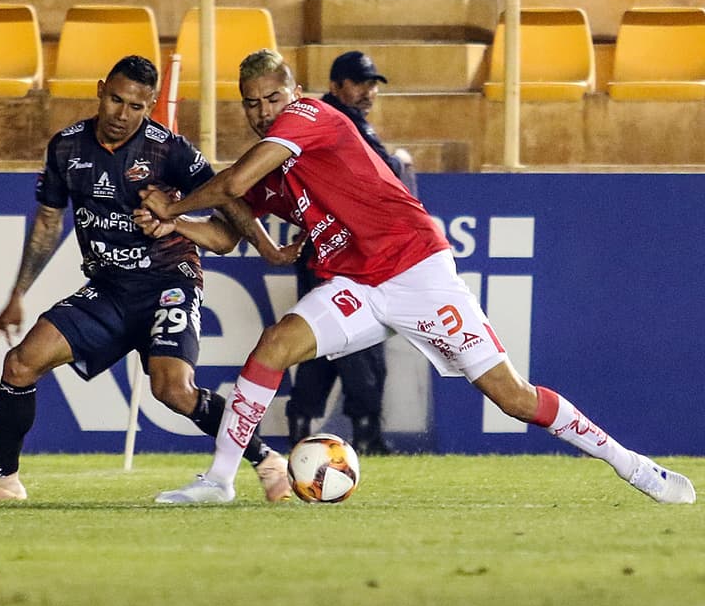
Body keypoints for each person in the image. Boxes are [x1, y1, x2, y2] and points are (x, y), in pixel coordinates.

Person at [143, 48, 696, 505]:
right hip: (357, 285)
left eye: (272, 97)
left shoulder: (309, 116)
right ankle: (219, 480)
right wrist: (175, 220)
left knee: (512, 397)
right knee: (274, 345)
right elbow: (226, 229)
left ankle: (636, 467)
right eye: (251, 104)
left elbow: (234, 181)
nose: (263, 111)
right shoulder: (273, 164)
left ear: (293, 92)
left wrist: (173, 207)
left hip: (416, 271)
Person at [0, 55, 292, 503]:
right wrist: (18, 294)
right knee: (19, 363)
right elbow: (49, 222)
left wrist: (256, 244)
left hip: (169, 281)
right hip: (108, 289)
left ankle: (267, 459)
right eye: (115, 100)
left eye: (135, 107)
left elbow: (228, 207)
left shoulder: (171, 150)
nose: (121, 115)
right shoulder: (66, 147)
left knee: (173, 390)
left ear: (149, 107)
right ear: (99, 90)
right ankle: (3, 480)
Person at [286, 51, 414, 455]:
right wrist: (398, 162)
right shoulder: (335, 121)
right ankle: (366, 435)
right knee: (359, 344)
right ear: (338, 85)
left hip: (331, 253)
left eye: (374, 83)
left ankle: (302, 431)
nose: (370, 91)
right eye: (361, 83)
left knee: (319, 343)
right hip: (338, 256)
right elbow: (379, 173)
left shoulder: (336, 120)